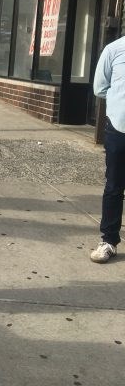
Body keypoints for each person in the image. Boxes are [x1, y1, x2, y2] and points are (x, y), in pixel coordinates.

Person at [90, 34, 125, 263]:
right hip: (119, 128)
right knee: (114, 186)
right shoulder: (114, 49)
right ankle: (109, 241)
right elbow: (100, 88)